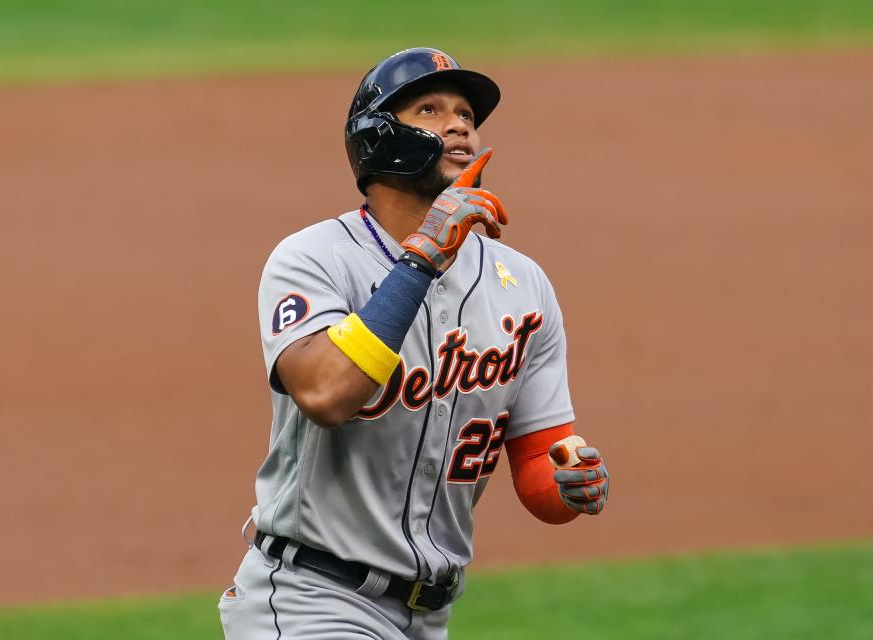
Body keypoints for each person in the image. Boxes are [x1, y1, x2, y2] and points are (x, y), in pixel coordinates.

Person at [219, 47, 609, 640]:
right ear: (377, 137)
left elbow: (538, 459)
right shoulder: (315, 259)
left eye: (466, 116)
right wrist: (421, 258)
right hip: (311, 600)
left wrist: (568, 483)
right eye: (429, 109)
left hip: (430, 617)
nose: (457, 125)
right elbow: (325, 394)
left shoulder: (523, 285)